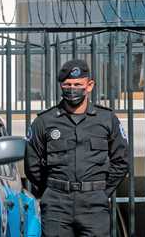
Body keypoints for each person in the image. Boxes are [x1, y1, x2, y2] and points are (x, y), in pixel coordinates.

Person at [24, 59, 129, 237]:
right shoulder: (44, 121)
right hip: (57, 205)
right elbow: (32, 165)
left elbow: (121, 161)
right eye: (67, 85)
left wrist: (101, 192)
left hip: (94, 204)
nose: (72, 89)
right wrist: (51, 189)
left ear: (89, 86)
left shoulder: (107, 119)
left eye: (78, 84)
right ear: (61, 86)